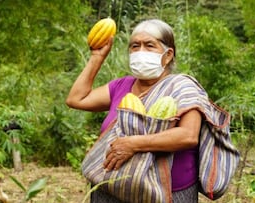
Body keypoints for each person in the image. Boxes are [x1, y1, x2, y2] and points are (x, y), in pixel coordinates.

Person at [66, 19, 202, 203]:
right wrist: (97, 57)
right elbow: (76, 99)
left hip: (167, 193)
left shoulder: (182, 87)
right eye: (135, 46)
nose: (140, 51)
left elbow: (188, 136)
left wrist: (134, 144)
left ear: (168, 55)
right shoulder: (121, 86)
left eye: (149, 45)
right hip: (112, 189)